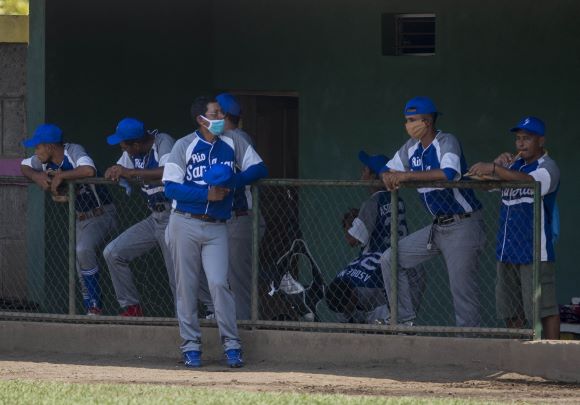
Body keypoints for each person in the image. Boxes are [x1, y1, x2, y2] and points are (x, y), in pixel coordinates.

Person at [162, 95, 267, 368]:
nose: (221, 117)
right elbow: (171, 187)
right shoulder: (183, 145)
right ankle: (190, 345)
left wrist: (234, 180)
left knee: (220, 283)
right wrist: (206, 195)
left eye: (221, 113)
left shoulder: (232, 141)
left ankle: (232, 344)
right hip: (184, 221)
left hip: (218, 226)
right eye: (216, 113)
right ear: (201, 119)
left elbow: (258, 168)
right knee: (186, 286)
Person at [380, 96, 485, 327]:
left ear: (427, 122)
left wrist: (405, 176)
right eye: (406, 120)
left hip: (462, 224)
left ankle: (471, 348)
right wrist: (386, 175)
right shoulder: (412, 148)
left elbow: (448, 173)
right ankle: (403, 321)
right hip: (437, 226)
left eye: (412, 120)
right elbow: (387, 168)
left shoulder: (446, 141)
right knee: (390, 258)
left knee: (462, 292)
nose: (408, 125)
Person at [469, 116, 560, 339]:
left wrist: (496, 169)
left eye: (527, 138)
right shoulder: (513, 165)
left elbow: (529, 181)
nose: (520, 143)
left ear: (541, 140)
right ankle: (520, 354)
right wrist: (497, 165)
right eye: (518, 138)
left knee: (544, 310)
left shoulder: (548, 166)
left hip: (535, 251)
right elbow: (482, 186)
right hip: (507, 249)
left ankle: (551, 355)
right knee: (511, 308)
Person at [21, 123, 117, 315]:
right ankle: (91, 308)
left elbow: (88, 170)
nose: (35, 151)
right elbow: (24, 165)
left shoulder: (73, 151)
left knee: (82, 250)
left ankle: (95, 307)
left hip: (101, 213)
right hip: (81, 219)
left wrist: (62, 176)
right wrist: (37, 176)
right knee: (79, 266)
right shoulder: (44, 160)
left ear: (49, 146)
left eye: (38, 146)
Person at [102, 118, 176, 317]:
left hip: (175, 216)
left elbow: (169, 173)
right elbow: (120, 168)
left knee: (177, 277)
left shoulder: (163, 142)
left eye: (125, 146)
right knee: (113, 253)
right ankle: (132, 308)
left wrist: (130, 172)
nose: (123, 149)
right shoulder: (134, 151)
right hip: (155, 217)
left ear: (136, 144)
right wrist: (114, 171)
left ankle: (197, 318)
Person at [199, 93, 263, 321]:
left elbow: (257, 169)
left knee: (238, 282)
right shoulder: (219, 139)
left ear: (223, 115)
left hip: (242, 216)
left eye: (215, 111)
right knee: (209, 270)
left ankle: (244, 330)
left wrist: (231, 182)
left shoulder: (236, 137)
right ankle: (220, 315)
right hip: (224, 219)